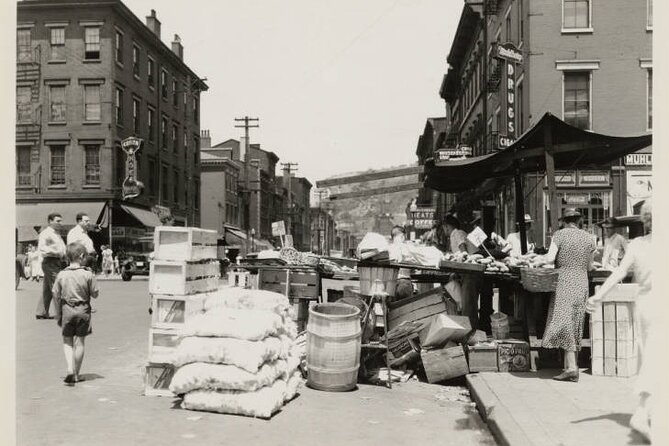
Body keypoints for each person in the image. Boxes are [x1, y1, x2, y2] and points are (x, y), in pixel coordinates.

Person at [586, 201, 654, 442]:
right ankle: (643, 411)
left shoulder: (635, 245)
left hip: (645, 304)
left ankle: (648, 409)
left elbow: (619, 272)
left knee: (652, 355)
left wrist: (599, 295)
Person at [541, 209, 596, 382]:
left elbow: (550, 258)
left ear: (564, 221)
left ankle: (572, 368)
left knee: (564, 322)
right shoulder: (589, 238)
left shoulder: (559, 235)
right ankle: (570, 366)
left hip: (565, 281)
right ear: (579, 220)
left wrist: (536, 259)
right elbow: (590, 266)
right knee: (574, 322)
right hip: (581, 282)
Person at [52, 242, 100, 384]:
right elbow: (95, 294)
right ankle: (77, 374)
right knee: (80, 342)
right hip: (83, 310)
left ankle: (69, 369)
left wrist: (58, 313)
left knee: (67, 341)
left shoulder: (61, 274)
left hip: (67, 309)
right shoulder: (87, 273)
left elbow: (55, 294)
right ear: (81, 256)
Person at [442, 214, 479, 328]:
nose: (444, 231)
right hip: (465, 272)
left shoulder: (457, 233)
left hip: (469, 272)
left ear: (447, 227)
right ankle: (469, 328)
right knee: (466, 303)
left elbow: (463, 251)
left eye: (444, 228)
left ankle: (470, 330)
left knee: (468, 304)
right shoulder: (454, 235)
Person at [37, 213, 67, 320]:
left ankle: (41, 311)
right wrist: (56, 252)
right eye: (58, 221)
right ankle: (61, 313)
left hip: (57, 261)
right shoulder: (46, 234)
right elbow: (42, 248)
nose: (60, 223)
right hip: (50, 261)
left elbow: (62, 248)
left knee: (48, 288)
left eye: (61, 221)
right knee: (57, 286)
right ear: (50, 221)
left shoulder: (56, 234)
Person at [390, 225, 413, 300]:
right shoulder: (407, 247)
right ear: (403, 236)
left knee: (391, 309)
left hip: (390, 283)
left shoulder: (388, 249)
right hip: (404, 282)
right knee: (406, 309)